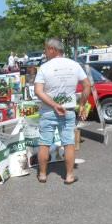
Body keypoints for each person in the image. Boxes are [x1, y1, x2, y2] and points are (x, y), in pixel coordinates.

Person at [34, 38, 91, 185]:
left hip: (48, 110)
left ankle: (42, 174)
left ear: (53, 49)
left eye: (46, 49)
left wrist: (54, 105)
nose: (45, 52)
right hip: (68, 110)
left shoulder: (44, 67)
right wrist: (82, 105)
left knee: (44, 143)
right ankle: (69, 176)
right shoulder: (74, 65)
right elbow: (87, 85)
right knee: (68, 143)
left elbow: (38, 91)